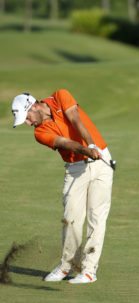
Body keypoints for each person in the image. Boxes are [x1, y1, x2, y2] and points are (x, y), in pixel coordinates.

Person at [11, 89, 114, 284]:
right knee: (71, 219)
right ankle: (66, 266)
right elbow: (65, 143)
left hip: (101, 162)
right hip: (75, 169)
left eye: (27, 117)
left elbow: (76, 120)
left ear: (33, 106)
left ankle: (89, 271)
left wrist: (92, 146)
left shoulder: (60, 96)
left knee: (96, 217)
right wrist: (85, 149)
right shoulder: (40, 132)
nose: (28, 123)